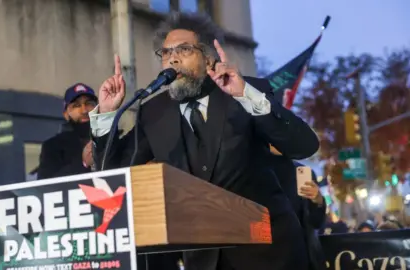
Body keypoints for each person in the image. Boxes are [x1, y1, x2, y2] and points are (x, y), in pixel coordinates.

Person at [89, 12, 319, 270]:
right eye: (165, 53)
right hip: (203, 260)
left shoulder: (246, 92)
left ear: (209, 57)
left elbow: (305, 146)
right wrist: (106, 116)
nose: (172, 58)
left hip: (268, 254)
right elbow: (111, 174)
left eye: (184, 49)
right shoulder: (154, 112)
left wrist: (246, 96)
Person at [37, 83, 98, 179]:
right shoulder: (52, 147)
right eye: (76, 105)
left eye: (89, 104)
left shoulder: (110, 139)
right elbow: (46, 185)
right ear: (66, 114)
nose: (84, 110)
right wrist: (83, 163)